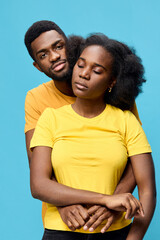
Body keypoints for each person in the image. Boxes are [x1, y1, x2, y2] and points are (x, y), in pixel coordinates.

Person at [29, 34, 156, 240]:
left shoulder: (126, 121)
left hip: (115, 232)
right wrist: (106, 200)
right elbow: (39, 185)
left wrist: (134, 238)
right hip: (60, 232)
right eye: (80, 65)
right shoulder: (50, 119)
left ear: (112, 81)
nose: (84, 74)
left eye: (97, 71)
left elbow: (148, 190)